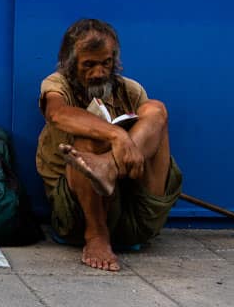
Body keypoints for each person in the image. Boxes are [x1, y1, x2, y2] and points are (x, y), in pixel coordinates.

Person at [36, 18, 182, 271]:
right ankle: (97, 236)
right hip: (79, 216)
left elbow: (150, 142)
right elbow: (56, 114)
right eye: (89, 65)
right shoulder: (57, 84)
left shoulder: (131, 90)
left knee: (156, 110)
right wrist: (117, 136)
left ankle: (107, 167)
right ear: (70, 64)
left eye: (106, 63)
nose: (99, 73)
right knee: (85, 140)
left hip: (134, 211)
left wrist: (116, 159)